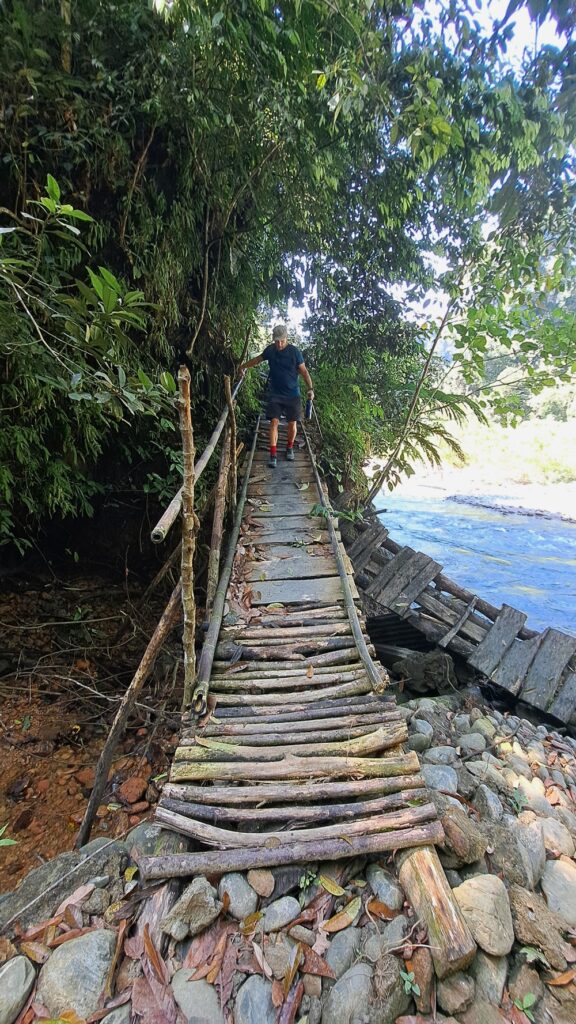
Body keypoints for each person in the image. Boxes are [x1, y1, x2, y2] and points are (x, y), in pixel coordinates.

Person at [239, 324, 314, 467]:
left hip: (293, 394)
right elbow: (257, 360)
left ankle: (289, 447)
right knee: (273, 422)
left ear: (287, 339)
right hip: (275, 394)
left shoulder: (294, 352)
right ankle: (273, 455)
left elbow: (304, 372)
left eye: (282, 341)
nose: (279, 344)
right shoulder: (270, 350)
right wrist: (243, 366)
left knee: (292, 424)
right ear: (273, 340)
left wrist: (310, 388)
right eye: (277, 341)